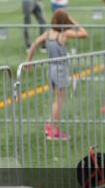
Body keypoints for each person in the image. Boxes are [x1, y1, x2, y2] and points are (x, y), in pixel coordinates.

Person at [26, 9, 87, 140]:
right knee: (59, 100)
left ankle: (51, 125)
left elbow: (34, 44)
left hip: (51, 68)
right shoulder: (63, 34)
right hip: (60, 69)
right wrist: (73, 21)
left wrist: (28, 61)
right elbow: (84, 33)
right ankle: (53, 129)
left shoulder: (48, 34)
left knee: (57, 99)